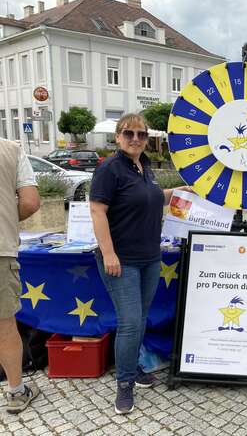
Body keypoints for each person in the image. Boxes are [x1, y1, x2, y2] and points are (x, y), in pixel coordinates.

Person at [90, 113, 189, 415]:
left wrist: (179, 193)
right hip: (122, 260)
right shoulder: (110, 169)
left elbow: (152, 197)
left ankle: (133, 368)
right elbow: (97, 211)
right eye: (129, 133)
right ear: (117, 137)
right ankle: (124, 383)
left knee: (141, 317)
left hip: (150, 258)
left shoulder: (144, 167)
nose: (135, 139)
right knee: (130, 322)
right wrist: (109, 254)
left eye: (141, 135)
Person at [0, 140, 41, 414]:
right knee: (4, 326)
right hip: (1, 248)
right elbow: (30, 201)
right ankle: (15, 392)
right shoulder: (10, 149)